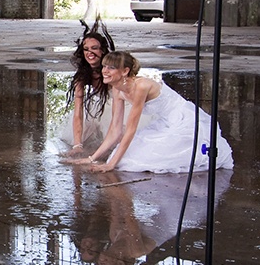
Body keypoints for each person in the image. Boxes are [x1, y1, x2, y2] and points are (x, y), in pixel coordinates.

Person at [66, 51, 234, 173]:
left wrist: (110, 165)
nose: (104, 71)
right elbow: (115, 129)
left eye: (111, 67)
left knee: (131, 161)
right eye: (104, 66)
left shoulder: (141, 86)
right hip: (164, 122)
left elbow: (131, 129)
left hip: (181, 119)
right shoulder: (118, 89)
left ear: (125, 71)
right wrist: (92, 158)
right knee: (124, 159)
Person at [59, 19, 115, 155]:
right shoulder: (83, 75)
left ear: (102, 50)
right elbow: (78, 110)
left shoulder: (113, 68)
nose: (90, 53)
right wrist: (77, 145)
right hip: (105, 104)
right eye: (86, 49)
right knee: (89, 119)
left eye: (94, 48)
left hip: (122, 104)